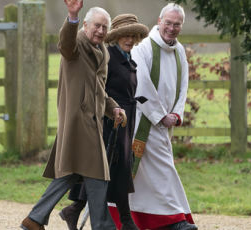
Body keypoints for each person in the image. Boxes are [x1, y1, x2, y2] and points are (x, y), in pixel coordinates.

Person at [20, 0, 126, 230]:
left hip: (93, 121)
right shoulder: (76, 43)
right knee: (98, 173)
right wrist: (72, 16)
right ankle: (103, 226)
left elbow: (99, 90)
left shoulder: (102, 51)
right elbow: (65, 44)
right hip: (78, 121)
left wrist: (113, 108)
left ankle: (35, 219)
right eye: (96, 26)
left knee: (71, 173)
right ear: (85, 25)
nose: (100, 31)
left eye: (104, 27)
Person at [59, 14, 149, 230]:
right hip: (109, 122)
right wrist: (108, 111)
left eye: (133, 36)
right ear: (116, 37)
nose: (129, 39)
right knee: (110, 168)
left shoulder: (128, 58)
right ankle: (126, 221)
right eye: (125, 35)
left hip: (125, 119)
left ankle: (74, 209)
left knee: (114, 168)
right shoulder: (108, 56)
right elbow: (99, 89)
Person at [127, 3, 198, 230]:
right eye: (168, 23)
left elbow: (183, 85)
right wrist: (160, 115)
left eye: (177, 24)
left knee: (144, 177)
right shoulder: (144, 48)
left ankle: (134, 220)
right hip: (143, 122)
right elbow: (141, 85)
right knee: (163, 170)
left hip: (165, 123)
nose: (171, 28)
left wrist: (177, 113)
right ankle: (175, 221)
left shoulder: (179, 51)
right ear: (159, 21)